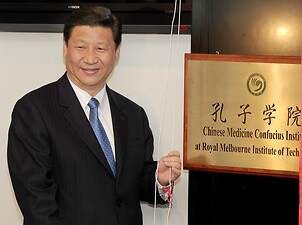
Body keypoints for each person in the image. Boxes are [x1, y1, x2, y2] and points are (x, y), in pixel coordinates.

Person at [7, 6, 182, 225]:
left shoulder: (134, 114)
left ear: (116, 52)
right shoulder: (33, 111)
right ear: (65, 48)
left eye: (101, 48)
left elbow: (130, 185)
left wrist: (158, 179)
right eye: (81, 47)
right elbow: (37, 205)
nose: (90, 59)